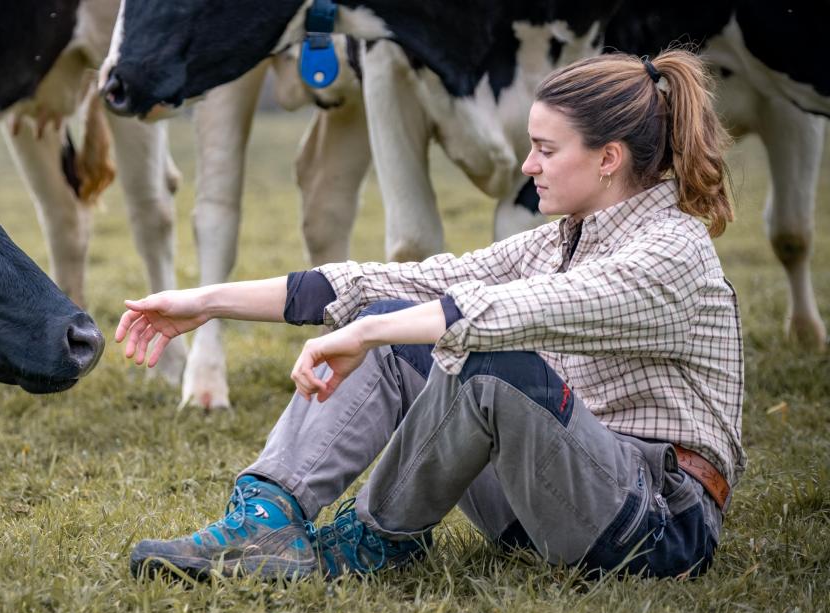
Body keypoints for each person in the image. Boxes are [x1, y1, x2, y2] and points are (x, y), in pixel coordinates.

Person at [115, 49, 743, 580]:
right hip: (549, 499)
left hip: (656, 527)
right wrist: (204, 301)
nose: (527, 166)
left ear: (608, 158)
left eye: (546, 150)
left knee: (488, 356)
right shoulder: (565, 238)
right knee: (399, 313)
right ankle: (263, 522)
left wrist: (367, 331)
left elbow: (513, 312)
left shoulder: (673, 251)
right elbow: (412, 280)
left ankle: (376, 542)